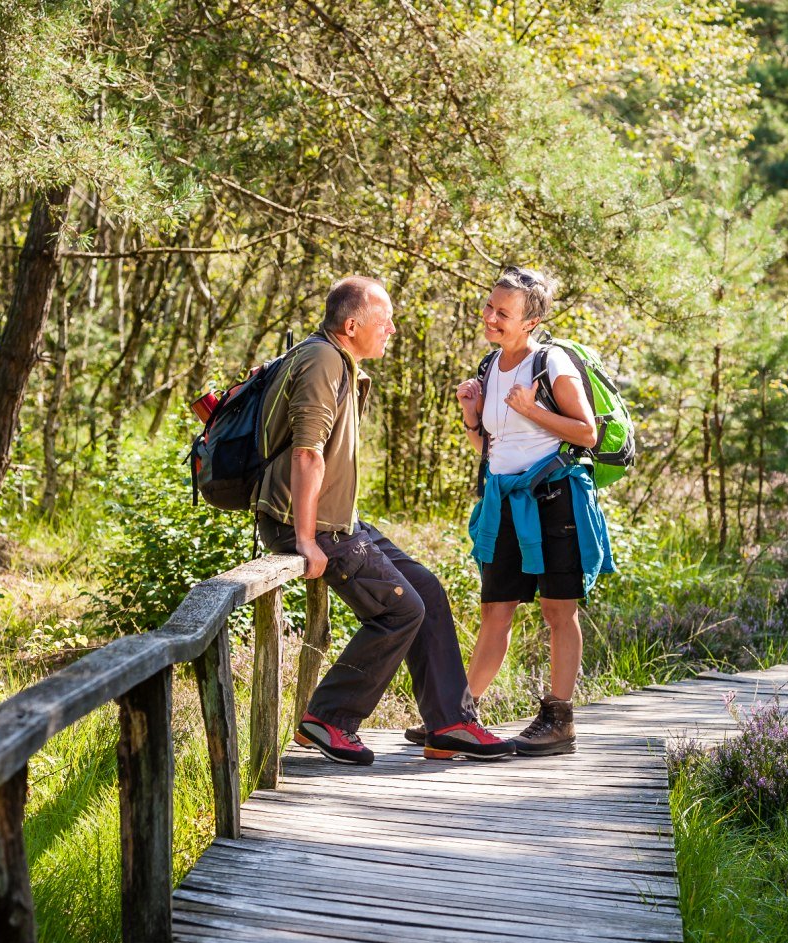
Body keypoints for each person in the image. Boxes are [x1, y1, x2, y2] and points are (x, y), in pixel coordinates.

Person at [254, 276, 515, 765]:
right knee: (400, 610)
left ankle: (451, 725)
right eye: (384, 319)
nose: (392, 328)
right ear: (351, 325)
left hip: (340, 522)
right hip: (310, 525)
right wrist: (306, 540)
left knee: (427, 593)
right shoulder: (322, 361)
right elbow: (307, 453)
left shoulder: (338, 359)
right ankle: (329, 719)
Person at [452, 267, 614, 756]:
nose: (490, 317)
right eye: (488, 307)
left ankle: (559, 719)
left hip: (554, 500)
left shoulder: (553, 363)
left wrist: (532, 409)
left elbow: (587, 433)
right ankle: (460, 714)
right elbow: (492, 444)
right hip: (504, 500)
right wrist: (470, 415)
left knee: (557, 611)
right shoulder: (489, 366)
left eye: (503, 312)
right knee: (494, 610)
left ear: (532, 320)